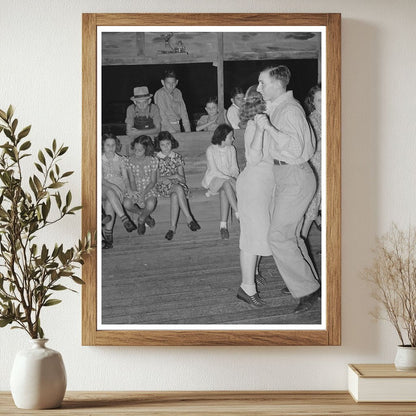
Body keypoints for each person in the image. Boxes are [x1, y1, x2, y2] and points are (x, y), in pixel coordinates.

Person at [255, 65, 321, 314]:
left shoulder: (290, 110)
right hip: (288, 175)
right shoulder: (281, 108)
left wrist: (269, 128)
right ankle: (309, 285)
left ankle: (307, 289)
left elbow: (296, 149)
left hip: (294, 174)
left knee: (278, 237)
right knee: (289, 236)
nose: (259, 87)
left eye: (262, 83)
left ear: (276, 84)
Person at [235, 86, 274, 307]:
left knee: (260, 232)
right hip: (253, 185)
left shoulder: (266, 125)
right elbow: (253, 158)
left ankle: (253, 270)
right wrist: (260, 130)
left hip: (264, 184)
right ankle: (246, 287)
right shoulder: (254, 126)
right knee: (251, 236)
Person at [154, 131, 201, 240]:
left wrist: (172, 177)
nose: (166, 147)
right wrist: (174, 177)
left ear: (172, 143)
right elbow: (158, 179)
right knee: (178, 188)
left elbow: (183, 179)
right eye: (162, 145)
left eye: (168, 144)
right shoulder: (156, 159)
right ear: (159, 145)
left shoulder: (177, 157)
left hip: (177, 187)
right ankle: (189, 219)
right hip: (163, 187)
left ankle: (172, 228)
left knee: (176, 194)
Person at [201, 124, 239, 239]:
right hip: (214, 180)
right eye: (231, 137)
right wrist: (230, 178)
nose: (233, 139)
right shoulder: (211, 149)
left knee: (225, 189)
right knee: (226, 183)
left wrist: (233, 176)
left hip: (227, 183)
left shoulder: (231, 149)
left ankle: (223, 227)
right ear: (223, 137)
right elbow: (214, 171)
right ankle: (239, 213)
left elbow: (234, 168)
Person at [102, 133, 136, 249]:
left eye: (113, 145)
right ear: (103, 146)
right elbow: (101, 180)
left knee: (109, 202)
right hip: (103, 188)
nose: (110, 148)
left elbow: (126, 178)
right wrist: (113, 186)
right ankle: (124, 218)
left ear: (116, 146)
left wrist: (129, 189)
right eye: (107, 145)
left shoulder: (121, 160)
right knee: (110, 192)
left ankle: (108, 235)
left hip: (118, 191)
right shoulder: (100, 159)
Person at [123, 135, 158, 235]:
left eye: (140, 150)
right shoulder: (130, 161)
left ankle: (141, 220)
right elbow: (132, 180)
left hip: (148, 187)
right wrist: (135, 193)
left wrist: (143, 194)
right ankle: (145, 216)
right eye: (135, 149)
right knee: (127, 204)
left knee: (150, 204)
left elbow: (153, 181)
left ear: (146, 149)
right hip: (136, 186)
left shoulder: (152, 160)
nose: (136, 152)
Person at [302, 84, 322, 239]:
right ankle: (302, 242)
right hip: (316, 168)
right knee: (311, 209)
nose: (322, 103)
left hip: (330, 167)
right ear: (313, 102)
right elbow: (313, 146)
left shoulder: (333, 115)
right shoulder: (311, 120)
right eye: (319, 100)